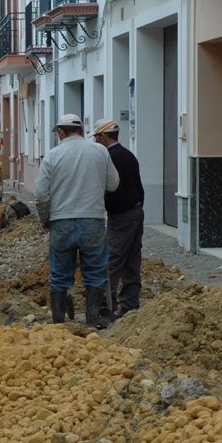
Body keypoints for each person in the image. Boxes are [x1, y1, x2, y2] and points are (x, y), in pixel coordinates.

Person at [35, 114, 119, 327]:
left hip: (61, 222)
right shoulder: (100, 151)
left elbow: (41, 195)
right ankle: (92, 322)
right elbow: (113, 185)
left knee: (60, 276)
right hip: (93, 221)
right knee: (95, 274)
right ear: (80, 131)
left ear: (61, 132)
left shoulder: (52, 155)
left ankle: (58, 325)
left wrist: (46, 220)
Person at [91, 118, 145, 318]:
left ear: (103, 137)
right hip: (135, 212)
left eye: (97, 137)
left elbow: (110, 188)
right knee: (132, 259)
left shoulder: (109, 158)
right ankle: (130, 305)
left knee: (111, 260)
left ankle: (106, 307)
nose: (96, 141)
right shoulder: (128, 155)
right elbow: (139, 187)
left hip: (121, 216)